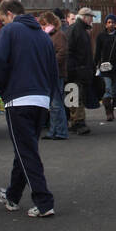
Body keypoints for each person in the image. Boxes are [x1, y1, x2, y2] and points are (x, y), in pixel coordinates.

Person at [0, 0, 59, 218]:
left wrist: (2, 89)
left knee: (26, 151)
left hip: (18, 98)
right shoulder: (43, 35)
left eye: (2, 19)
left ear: (9, 14)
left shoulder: (9, 31)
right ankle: (12, 195)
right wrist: (48, 95)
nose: (3, 23)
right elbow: (53, 69)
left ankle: (43, 200)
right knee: (25, 148)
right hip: (40, 99)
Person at [38, 11, 69, 140]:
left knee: (56, 104)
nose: (42, 27)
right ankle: (54, 131)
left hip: (56, 73)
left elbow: (62, 52)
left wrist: (49, 63)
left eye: (44, 24)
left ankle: (60, 131)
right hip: (51, 72)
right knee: (53, 105)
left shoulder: (58, 35)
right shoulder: (49, 36)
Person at [67, 7, 96, 134]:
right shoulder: (78, 30)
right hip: (77, 69)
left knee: (74, 95)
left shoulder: (78, 29)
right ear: (85, 17)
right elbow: (70, 51)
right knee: (75, 96)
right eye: (90, 17)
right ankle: (78, 122)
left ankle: (75, 121)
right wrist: (76, 68)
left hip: (77, 69)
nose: (92, 20)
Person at [94, 13, 116, 122]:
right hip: (104, 67)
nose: (111, 24)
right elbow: (97, 51)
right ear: (106, 23)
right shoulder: (101, 36)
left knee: (113, 91)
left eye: (113, 22)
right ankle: (108, 112)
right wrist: (95, 63)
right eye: (109, 22)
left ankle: (111, 109)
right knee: (107, 89)